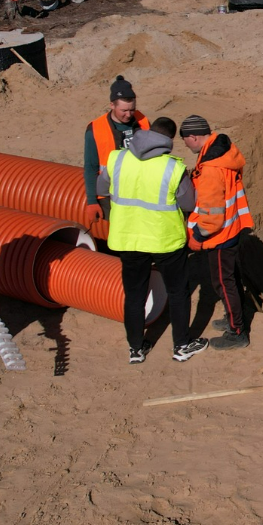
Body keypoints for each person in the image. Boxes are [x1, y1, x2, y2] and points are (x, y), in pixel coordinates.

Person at [99, 116, 205, 364]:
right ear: (169, 140)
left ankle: (136, 348)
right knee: (178, 292)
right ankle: (181, 345)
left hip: (128, 239)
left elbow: (101, 188)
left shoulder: (117, 158)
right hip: (165, 241)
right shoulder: (173, 168)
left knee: (135, 295)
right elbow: (188, 203)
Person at [180, 115, 255, 350]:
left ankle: (237, 331)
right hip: (232, 229)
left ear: (194, 137)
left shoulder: (211, 170)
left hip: (220, 236)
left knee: (224, 283)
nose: (185, 145)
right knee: (231, 279)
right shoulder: (223, 151)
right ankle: (235, 319)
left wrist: (197, 238)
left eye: (185, 140)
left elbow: (212, 218)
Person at [83, 75, 148, 224]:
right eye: (124, 110)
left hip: (140, 190)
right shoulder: (95, 129)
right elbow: (90, 168)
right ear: (112, 105)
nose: (129, 114)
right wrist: (92, 201)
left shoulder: (142, 121)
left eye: (132, 110)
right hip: (111, 194)